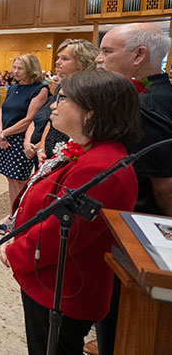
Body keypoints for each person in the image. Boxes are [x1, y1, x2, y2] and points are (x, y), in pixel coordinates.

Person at [0, 70, 141, 355]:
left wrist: (15, 251)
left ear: (91, 111)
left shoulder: (100, 166)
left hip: (63, 287)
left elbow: (59, 233)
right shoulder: (87, 149)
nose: (52, 104)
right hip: (50, 281)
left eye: (62, 98)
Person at [93, 23, 172, 355]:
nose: (98, 59)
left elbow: (164, 181)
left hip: (138, 229)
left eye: (107, 52)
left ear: (139, 55)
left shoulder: (146, 104)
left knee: (121, 321)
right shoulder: (155, 92)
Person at [0, 54, 49, 228]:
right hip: (6, 137)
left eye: (20, 68)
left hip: (21, 139)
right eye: (14, 67)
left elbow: (29, 119)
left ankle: (21, 219)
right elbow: (3, 110)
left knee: (21, 181)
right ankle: (12, 215)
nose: (15, 71)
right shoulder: (13, 87)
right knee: (10, 179)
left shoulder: (41, 89)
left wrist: (4, 134)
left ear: (31, 69)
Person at [26, 39, 99, 165]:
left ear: (82, 61)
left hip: (71, 151)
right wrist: (42, 148)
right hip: (50, 148)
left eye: (65, 59)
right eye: (58, 57)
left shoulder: (89, 89)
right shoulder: (62, 86)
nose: (57, 62)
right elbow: (51, 120)